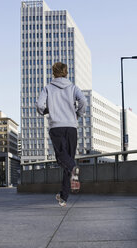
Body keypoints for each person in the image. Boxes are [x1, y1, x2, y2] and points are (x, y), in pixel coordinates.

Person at [36, 62, 87, 207]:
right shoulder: (73, 88)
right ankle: (63, 197)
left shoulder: (48, 88)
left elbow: (40, 105)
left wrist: (46, 111)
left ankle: (73, 168)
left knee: (62, 158)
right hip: (71, 127)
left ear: (53, 72)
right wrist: (78, 114)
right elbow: (83, 100)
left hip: (56, 127)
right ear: (66, 73)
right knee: (68, 160)